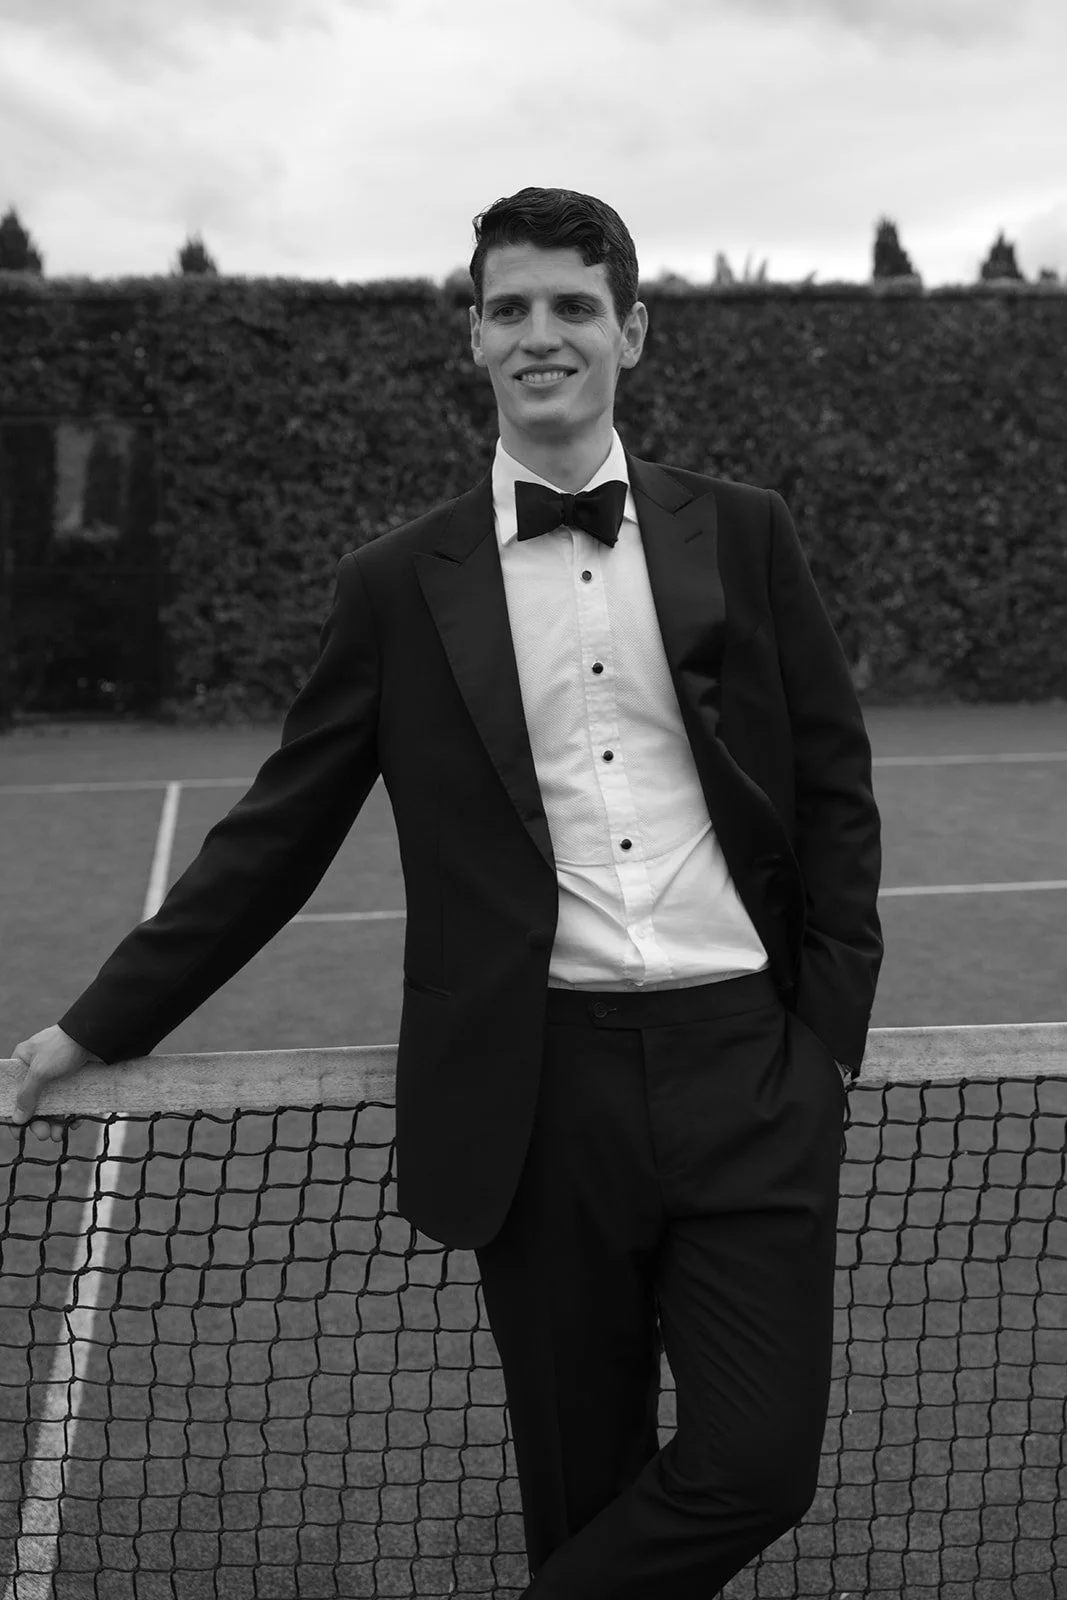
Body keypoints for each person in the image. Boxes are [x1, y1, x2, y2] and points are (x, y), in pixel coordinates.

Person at [11, 186, 883, 1596]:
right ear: (472, 339)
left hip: (749, 1075)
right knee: (578, 1494)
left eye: (573, 306)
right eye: (508, 308)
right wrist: (98, 1024)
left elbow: (834, 794)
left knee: (757, 1463)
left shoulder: (746, 533)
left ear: (633, 332)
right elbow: (276, 835)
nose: (542, 335)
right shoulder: (391, 588)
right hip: (534, 1101)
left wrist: (824, 1041)